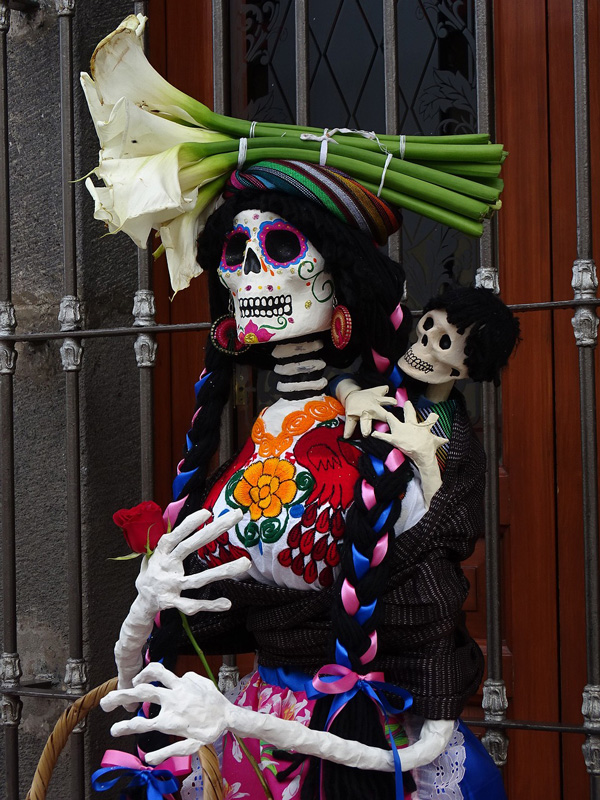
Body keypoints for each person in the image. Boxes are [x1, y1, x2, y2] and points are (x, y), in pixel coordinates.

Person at [102, 161, 508, 800]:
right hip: (252, 741)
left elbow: (426, 723)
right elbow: (133, 680)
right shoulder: (262, 437)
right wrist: (149, 599)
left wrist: (235, 719)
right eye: (237, 254)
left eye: (282, 248)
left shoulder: (384, 432)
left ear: (337, 278)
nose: (253, 273)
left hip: (361, 737)